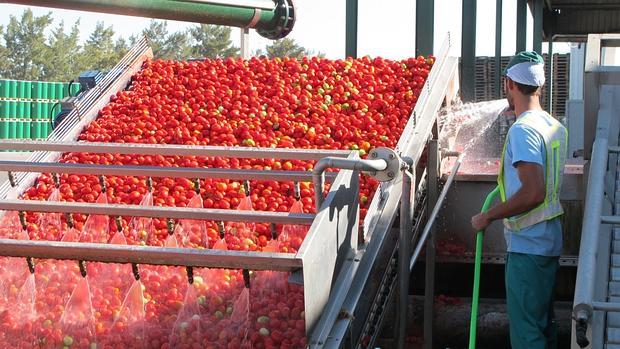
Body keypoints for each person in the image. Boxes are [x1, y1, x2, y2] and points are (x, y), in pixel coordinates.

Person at [471, 51, 568, 349]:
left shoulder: (523, 130)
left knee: (527, 336)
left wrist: (488, 216)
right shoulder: (553, 126)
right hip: (547, 243)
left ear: (509, 83)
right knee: (543, 329)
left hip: (528, 247)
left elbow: (532, 191)